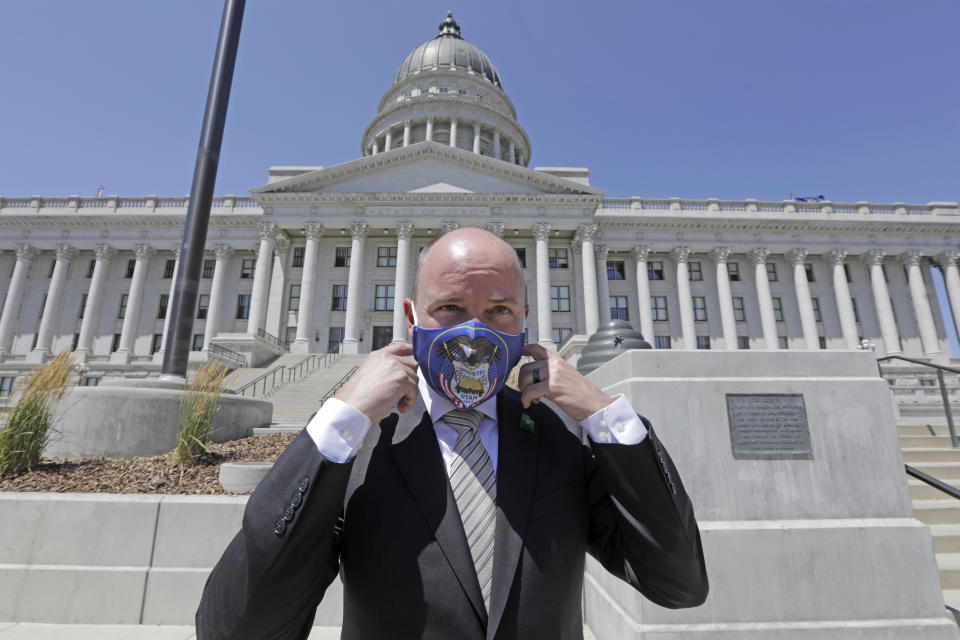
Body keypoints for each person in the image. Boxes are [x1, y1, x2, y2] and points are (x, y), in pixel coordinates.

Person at [196, 227, 708, 640]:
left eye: (498, 311)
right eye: (451, 309)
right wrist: (340, 419)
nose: (474, 333)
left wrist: (604, 415)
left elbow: (678, 583)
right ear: (412, 318)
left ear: (524, 322)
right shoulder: (358, 444)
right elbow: (235, 629)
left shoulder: (560, 435)